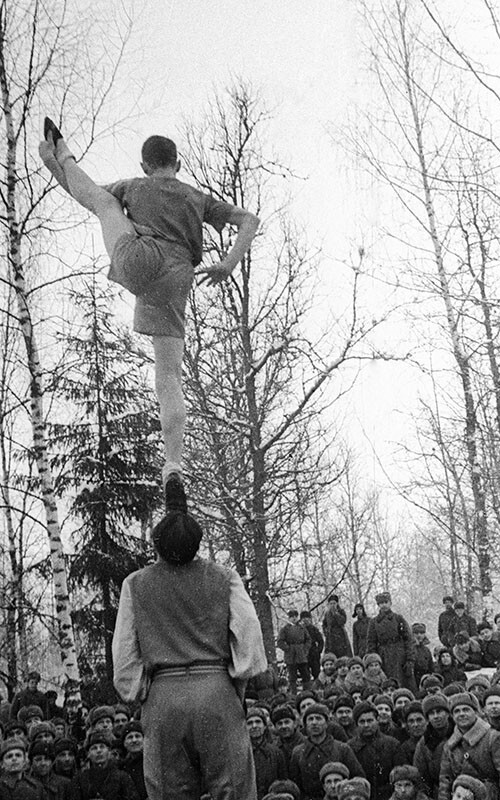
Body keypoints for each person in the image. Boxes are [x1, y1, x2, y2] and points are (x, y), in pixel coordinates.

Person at [39, 123, 260, 500]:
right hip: (177, 277)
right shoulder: (197, 197)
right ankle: (173, 464)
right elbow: (249, 221)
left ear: (145, 165)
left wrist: (55, 162)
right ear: (178, 162)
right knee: (169, 376)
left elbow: (85, 194)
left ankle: (61, 151)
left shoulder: (134, 186)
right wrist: (228, 264)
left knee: (103, 202)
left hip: (139, 259)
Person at [112, 508, 267, 800]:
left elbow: (124, 655)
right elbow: (249, 636)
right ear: (196, 543)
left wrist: (142, 692)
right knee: (234, 788)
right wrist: (234, 683)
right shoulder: (225, 577)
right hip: (217, 692)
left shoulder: (135, 584)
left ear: (157, 544)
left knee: (169, 793)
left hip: (163, 698)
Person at [438, 692, 500, 800]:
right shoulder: (450, 745)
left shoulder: (493, 738)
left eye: (466, 709)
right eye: (457, 711)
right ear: (452, 716)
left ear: (476, 712)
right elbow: (445, 781)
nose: (461, 714)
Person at [289, 703, 365, 800]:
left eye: (318, 718)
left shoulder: (342, 749)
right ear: (305, 724)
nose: (314, 722)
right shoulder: (298, 752)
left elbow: (358, 778)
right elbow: (295, 785)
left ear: (326, 723)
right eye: (310, 719)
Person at [347, 701, 405, 800]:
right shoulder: (349, 747)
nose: (366, 725)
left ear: (377, 720)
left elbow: (400, 776)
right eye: (362, 722)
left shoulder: (392, 744)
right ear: (356, 724)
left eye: (370, 720)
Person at [366, 593, 415, 692]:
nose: (383, 605)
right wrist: (373, 660)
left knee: (403, 682)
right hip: (383, 656)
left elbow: (408, 639)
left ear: (390, 603)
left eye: (385, 602)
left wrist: (410, 659)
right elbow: (371, 642)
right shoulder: (374, 622)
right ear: (378, 605)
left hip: (399, 654)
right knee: (386, 681)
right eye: (380, 603)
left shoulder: (398, 618)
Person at [277, 611, 312, 695]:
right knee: (292, 677)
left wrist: (305, 649)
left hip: (301, 655)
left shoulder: (302, 628)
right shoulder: (285, 629)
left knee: (306, 675)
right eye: (292, 616)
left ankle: (307, 693)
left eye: (295, 616)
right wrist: (287, 648)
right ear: (289, 618)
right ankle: (293, 694)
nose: (294, 618)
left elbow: (308, 639)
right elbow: (280, 641)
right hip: (290, 656)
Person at [300, 612, 325, 681]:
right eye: (303, 618)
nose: (305, 620)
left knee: (316, 673)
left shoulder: (314, 629)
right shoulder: (300, 630)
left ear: (310, 619)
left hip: (314, 654)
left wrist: (318, 651)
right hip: (304, 654)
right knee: (305, 674)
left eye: (307, 618)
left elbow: (321, 641)